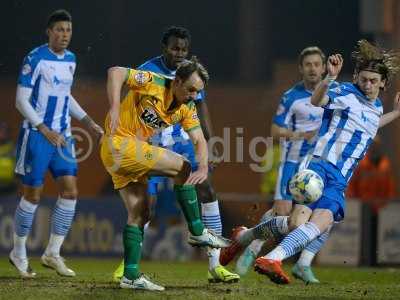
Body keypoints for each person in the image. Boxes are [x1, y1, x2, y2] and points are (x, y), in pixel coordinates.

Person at [222, 39, 400, 284]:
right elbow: (317, 102)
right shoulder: (345, 92)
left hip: (340, 178)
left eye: (373, 81)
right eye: (363, 79)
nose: (367, 85)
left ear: (383, 84)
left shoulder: (377, 107)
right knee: (313, 223)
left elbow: (369, 125)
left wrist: (396, 113)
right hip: (319, 166)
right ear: (357, 76)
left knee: (300, 224)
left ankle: (247, 240)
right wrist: (329, 78)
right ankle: (269, 254)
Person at [111, 26, 239, 284]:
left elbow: (200, 107)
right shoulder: (149, 70)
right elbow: (129, 101)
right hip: (152, 143)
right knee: (148, 206)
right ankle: (128, 265)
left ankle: (215, 265)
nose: (179, 53)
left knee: (207, 191)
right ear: (164, 48)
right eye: (175, 48)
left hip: (183, 142)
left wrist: (210, 144)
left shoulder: (191, 74)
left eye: (184, 49)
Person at [11, 9, 104, 278]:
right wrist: (43, 127)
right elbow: (21, 100)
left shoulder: (71, 59)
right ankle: (18, 252)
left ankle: (52, 253)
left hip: (62, 136)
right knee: (33, 196)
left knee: (71, 191)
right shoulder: (35, 58)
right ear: (49, 32)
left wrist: (88, 121)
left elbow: (66, 96)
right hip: (37, 135)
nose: (65, 35)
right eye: (60, 30)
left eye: (68, 30)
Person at [233, 47, 333, 283]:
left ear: (324, 67)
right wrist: (301, 135)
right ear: (301, 68)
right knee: (282, 214)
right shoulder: (291, 96)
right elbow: (275, 131)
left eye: (317, 64)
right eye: (307, 64)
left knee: (326, 213)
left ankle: (304, 263)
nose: (312, 68)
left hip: (322, 165)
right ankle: (252, 246)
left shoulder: (334, 93)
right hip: (293, 163)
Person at [0, 122, 16, 194]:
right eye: (1, 130)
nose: (2, 133)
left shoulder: (13, 148)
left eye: (4, 131)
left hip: (9, 187)